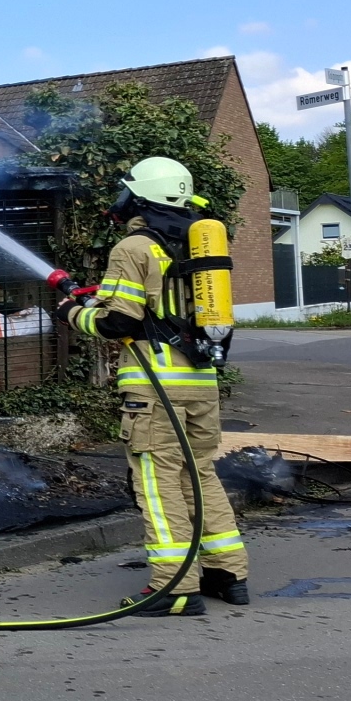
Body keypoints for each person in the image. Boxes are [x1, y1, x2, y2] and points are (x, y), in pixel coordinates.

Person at [57, 157, 250, 616]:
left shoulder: (135, 247)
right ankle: (229, 574)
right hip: (201, 380)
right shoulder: (196, 245)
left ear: (140, 196)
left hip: (155, 388)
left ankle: (175, 587)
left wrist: (70, 312)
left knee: (159, 486)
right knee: (199, 475)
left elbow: (119, 321)